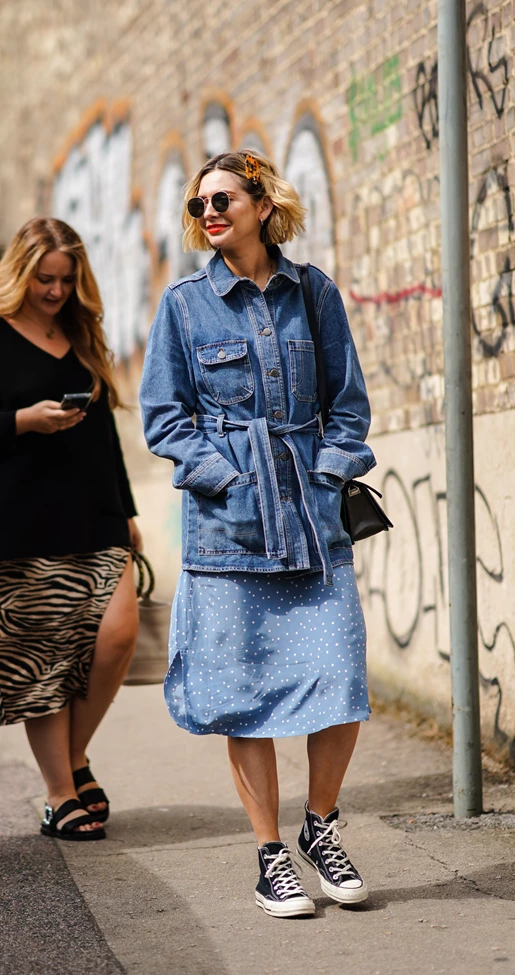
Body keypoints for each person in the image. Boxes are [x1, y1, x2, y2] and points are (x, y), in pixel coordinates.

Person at [140, 150, 376, 917]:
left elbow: (347, 401)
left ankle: (321, 825)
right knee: (244, 699)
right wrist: (224, 476)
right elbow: (165, 418)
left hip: (311, 520)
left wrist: (329, 471)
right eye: (199, 203)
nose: (209, 213)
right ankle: (270, 853)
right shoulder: (182, 306)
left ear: (261, 204)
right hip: (229, 530)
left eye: (223, 199)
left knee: (339, 682)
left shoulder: (313, 293)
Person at [0, 218, 141, 841]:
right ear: (20, 272)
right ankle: (61, 793)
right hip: (23, 521)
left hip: (97, 512)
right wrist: (22, 421)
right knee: (46, 665)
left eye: (66, 279)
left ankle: (74, 756)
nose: (55, 291)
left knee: (117, 635)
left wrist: (130, 509)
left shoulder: (82, 333)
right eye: (44, 279)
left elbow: (107, 431)